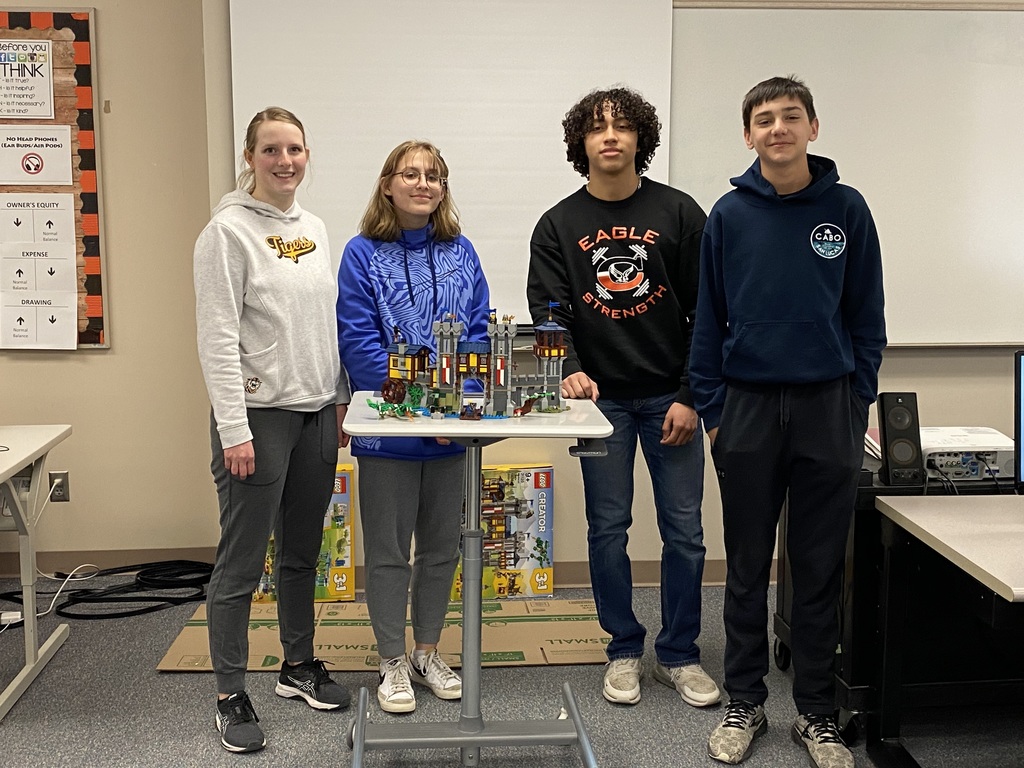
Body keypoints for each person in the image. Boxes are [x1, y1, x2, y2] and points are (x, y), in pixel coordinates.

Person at [689, 76, 886, 767]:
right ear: (748, 135)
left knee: (817, 566)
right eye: (764, 119)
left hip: (826, 409)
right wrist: (714, 411)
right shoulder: (729, 216)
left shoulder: (847, 210)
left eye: (790, 117)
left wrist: (854, 400)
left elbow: (867, 318)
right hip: (744, 411)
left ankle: (816, 714)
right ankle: (746, 703)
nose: (777, 128)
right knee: (744, 566)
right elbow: (708, 323)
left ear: (813, 127)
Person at [527, 86, 720, 709]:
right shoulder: (557, 224)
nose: (610, 136)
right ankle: (624, 649)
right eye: (597, 128)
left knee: (684, 532)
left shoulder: (682, 213)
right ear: (580, 143)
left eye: (622, 127)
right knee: (607, 529)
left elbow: (708, 311)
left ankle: (680, 653)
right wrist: (570, 371)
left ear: (641, 139)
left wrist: (693, 395)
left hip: (672, 400)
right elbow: (548, 310)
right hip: (598, 405)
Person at [194, 107, 352, 754]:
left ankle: (297, 666)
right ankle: (230, 691)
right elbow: (217, 337)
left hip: (316, 413)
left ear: (307, 154)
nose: (284, 161)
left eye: (294, 149)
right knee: (239, 563)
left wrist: (340, 401)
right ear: (250, 156)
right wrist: (234, 429)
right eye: (271, 150)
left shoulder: (313, 227)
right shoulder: (226, 233)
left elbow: (326, 325)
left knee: (300, 554)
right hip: (257, 421)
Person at [336, 140, 491, 714]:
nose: (422, 184)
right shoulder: (360, 253)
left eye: (434, 176)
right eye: (410, 174)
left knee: (442, 550)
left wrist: (458, 405)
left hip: (452, 430)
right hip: (388, 428)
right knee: (387, 552)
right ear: (387, 184)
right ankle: (391, 659)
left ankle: (427, 651)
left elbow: (476, 332)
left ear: (443, 190)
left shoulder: (461, 250)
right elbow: (358, 338)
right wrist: (418, 405)